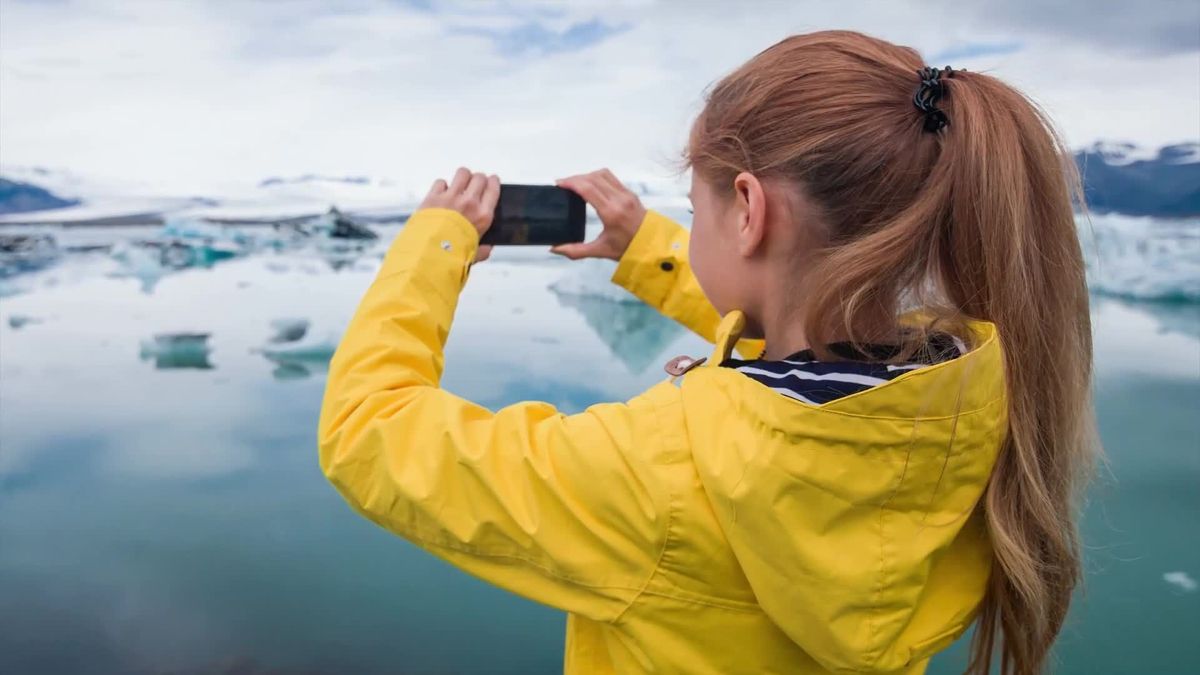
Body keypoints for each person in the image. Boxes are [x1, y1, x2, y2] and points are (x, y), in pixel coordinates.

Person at [318, 30, 1096, 675]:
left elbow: (368, 431)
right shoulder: (964, 400)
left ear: (750, 210)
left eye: (695, 211)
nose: (689, 232)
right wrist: (650, 250)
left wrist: (433, 247)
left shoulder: (655, 475)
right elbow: (807, 332)